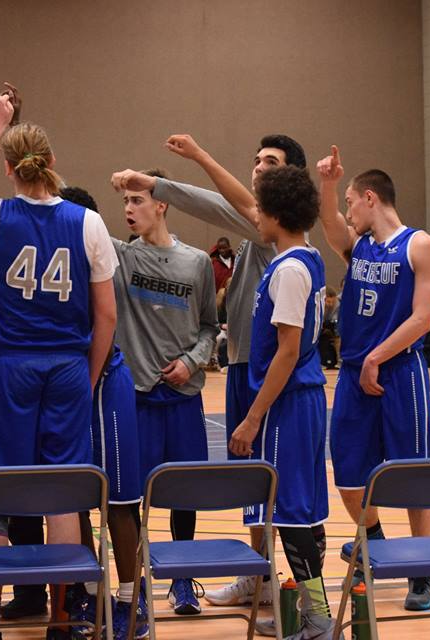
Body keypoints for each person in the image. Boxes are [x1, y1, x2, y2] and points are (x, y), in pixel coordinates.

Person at [110, 132, 316, 608]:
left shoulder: (276, 244)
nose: (259, 167)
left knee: (290, 504)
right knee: (260, 493)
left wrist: (190, 162)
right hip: (243, 373)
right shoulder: (264, 239)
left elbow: (223, 206)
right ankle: (264, 580)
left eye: (271, 163)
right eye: (256, 160)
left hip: (273, 382)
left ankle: (313, 607)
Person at [0, 96, 118, 640]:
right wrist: (88, 377)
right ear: (52, 161)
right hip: (68, 365)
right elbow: (106, 315)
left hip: (12, 365)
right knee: (63, 490)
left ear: (10, 168)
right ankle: (61, 616)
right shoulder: (89, 222)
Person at [2, 186, 148, 640]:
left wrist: (87, 378)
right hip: (61, 385)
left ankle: (132, 598)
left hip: (101, 380)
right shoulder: (50, 259)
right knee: (71, 497)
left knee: (119, 502)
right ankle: (85, 592)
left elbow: (107, 321)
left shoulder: (96, 257)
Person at [316, 146, 430, 611]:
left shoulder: (419, 244)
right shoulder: (359, 246)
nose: (348, 212)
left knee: (414, 473)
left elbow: (422, 318)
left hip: (400, 372)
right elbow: (329, 224)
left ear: (370, 198)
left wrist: (377, 356)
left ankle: (421, 571)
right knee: (348, 473)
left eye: (351, 202)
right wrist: (329, 184)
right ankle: (373, 537)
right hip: (355, 372)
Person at [227, 165, 333, 639]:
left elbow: (287, 351)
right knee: (302, 511)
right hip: (303, 400)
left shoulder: (289, 270)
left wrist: (252, 418)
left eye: (260, 209)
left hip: (287, 404)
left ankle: (318, 618)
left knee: (289, 513)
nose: (255, 216)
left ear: (275, 214)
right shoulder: (308, 257)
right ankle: (313, 612)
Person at [108, 167, 219, 616]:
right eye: (125, 202)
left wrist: (192, 360)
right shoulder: (119, 257)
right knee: (129, 497)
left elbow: (210, 327)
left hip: (183, 398)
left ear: (162, 203)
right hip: (135, 398)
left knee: (183, 493)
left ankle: (182, 580)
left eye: (137, 200)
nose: (129, 208)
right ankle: (133, 584)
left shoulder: (197, 262)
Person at [318, 287, 340, 369]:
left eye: (332, 302)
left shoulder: (338, 305)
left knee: (338, 336)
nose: (330, 304)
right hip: (322, 325)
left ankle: (339, 360)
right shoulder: (319, 303)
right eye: (328, 302)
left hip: (334, 325)